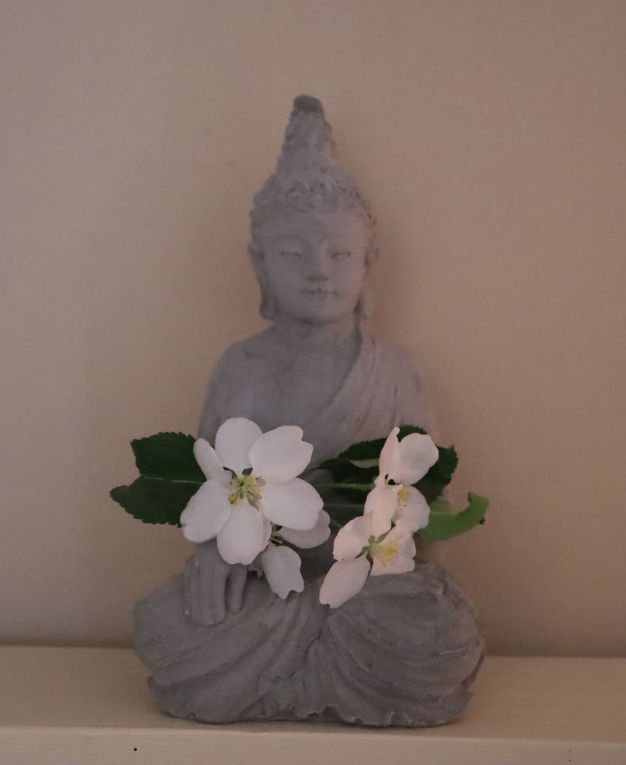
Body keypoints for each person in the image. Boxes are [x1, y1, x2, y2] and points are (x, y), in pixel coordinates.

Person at [134, 97, 482, 727]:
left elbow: (428, 497)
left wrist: (422, 579)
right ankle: (321, 667)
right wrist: (213, 556)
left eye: (340, 254)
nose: (319, 271)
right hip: (264, 586)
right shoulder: (242, 365)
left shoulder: (395, 370)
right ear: (259, 264)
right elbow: (212, 495)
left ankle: (318, 663)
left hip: (366, 585)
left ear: (369, 262)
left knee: (438, 630)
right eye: (294, 254)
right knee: (166, 626)